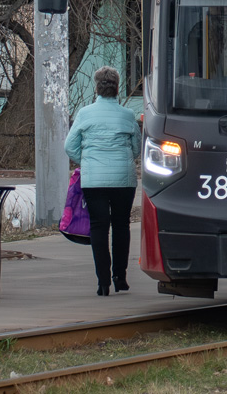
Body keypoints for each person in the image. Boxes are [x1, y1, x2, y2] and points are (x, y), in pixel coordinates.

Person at [65, 66, 142, 295]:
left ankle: (103, 282)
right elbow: (136, 148)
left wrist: (86, 161)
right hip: (123, 180)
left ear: (96, 87)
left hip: (94, 181)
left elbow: (69, 146)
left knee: (99, 227)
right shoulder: (127, 115)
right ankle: (120, 277)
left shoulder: (84, 114)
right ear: (117, 88)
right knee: (121, 226)